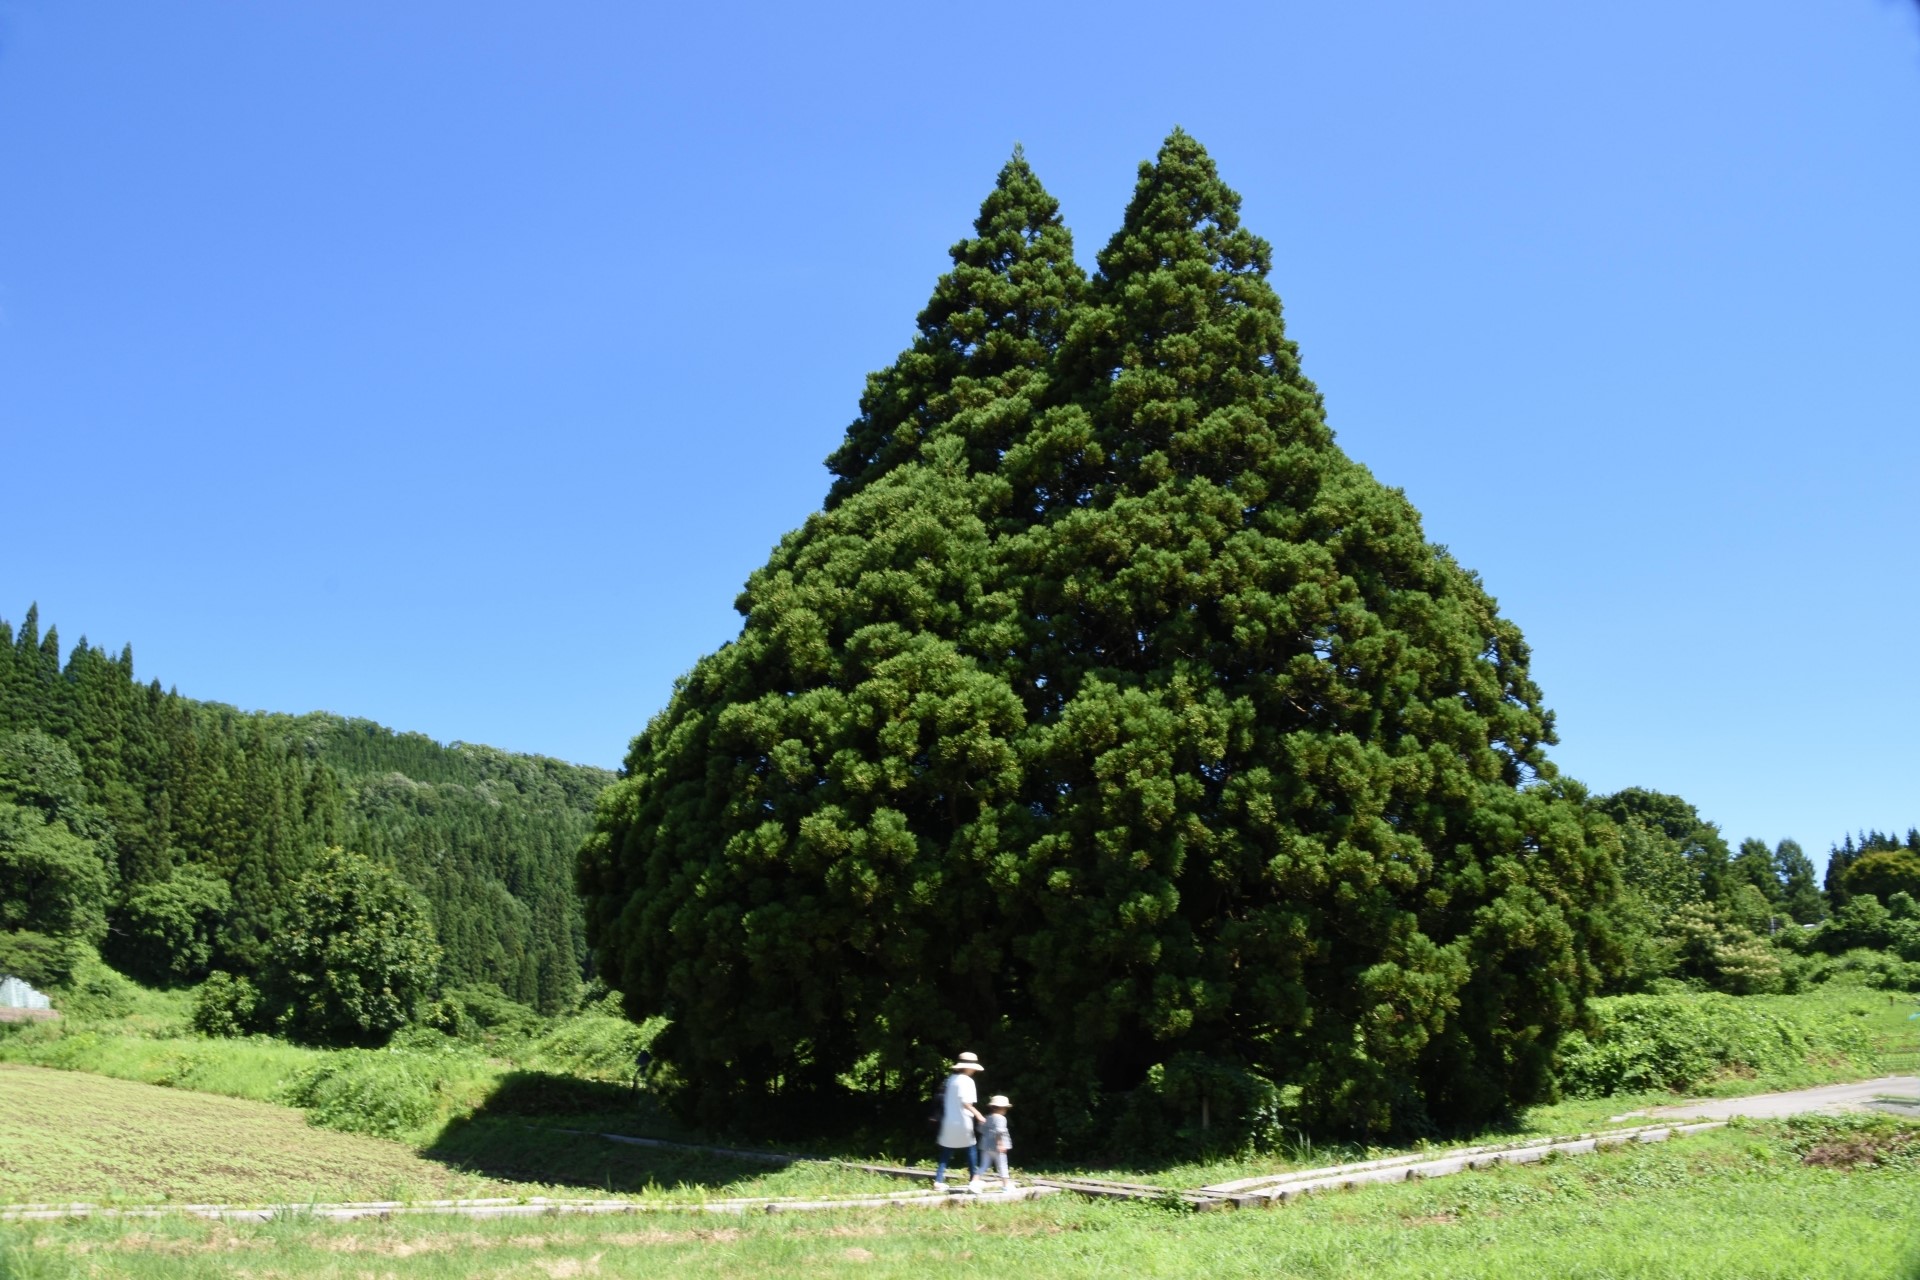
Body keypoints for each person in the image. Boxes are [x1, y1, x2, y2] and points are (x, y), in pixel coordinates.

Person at [932, 1051, 985, 1193]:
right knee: (971, 1149)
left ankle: (938, 1181)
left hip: (949, 1121)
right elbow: (966, 1103)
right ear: (968, 1067)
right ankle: (974, 1180)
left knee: (946, 1151)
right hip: (963, 1120)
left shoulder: (950, 1079)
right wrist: (978, 1115)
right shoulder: (968, 1081)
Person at [977, 1094, 1014, 1191]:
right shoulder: (1001, 1118)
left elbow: (980, 1129)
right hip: (997, 1147)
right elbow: (999, 1131)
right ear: (1001, 1108)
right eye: (1006, 1108)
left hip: (985, 1146)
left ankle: (974, 1182)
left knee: (983, 1165)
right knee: (1002, 1166)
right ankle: (1006, 1185)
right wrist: (1000, 1144)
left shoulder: (987, 1117)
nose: (1006, 1110)